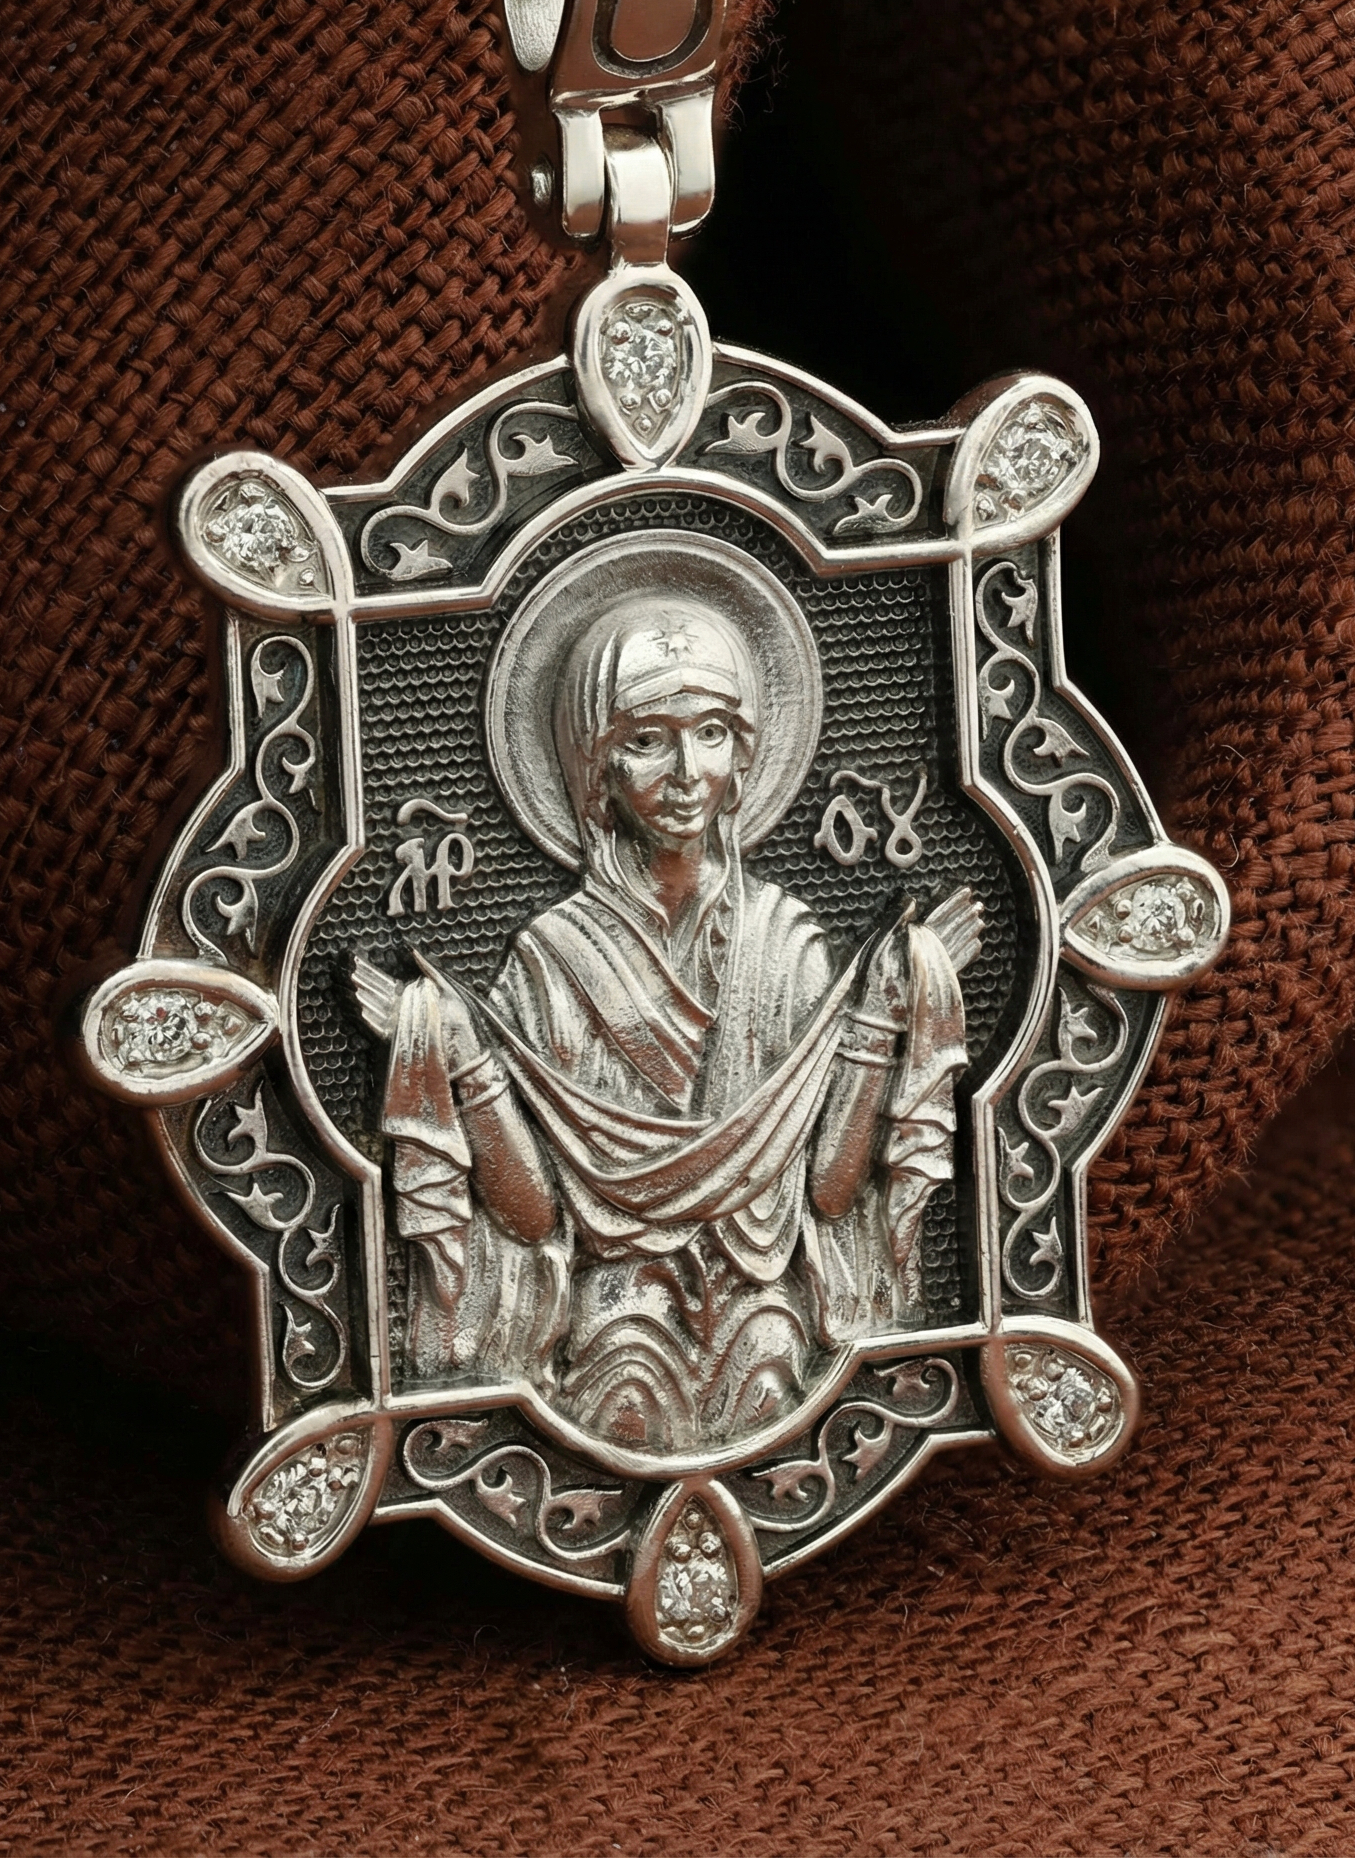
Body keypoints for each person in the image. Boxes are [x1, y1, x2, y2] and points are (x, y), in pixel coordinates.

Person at [355, 594, 977, 1455]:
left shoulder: (786, 942)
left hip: (771, 1313)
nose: (688, 770)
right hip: (612, 1314)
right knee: (625, 1378)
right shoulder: (552, 957)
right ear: (595, 765)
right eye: (648, 739)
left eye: (712, 732)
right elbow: (532, 1218)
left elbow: (831, 1196)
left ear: (745, 754)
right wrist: (455, 1053)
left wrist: (886, 1008)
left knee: (768, 1358)